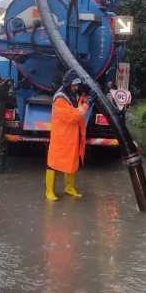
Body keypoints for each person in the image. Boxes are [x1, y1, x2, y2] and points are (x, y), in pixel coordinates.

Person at [44, 69, 98, 201]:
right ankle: (49, 191)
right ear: (68, 84)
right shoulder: (60, 98)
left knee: (72, 161)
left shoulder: (74, 94)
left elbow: (79, 104)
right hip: (61, 136)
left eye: (78, 85)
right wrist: (87, 104)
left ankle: (69, 188)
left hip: (72, 136)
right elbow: (71, 116)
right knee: (53, 163)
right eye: (74, 85)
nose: (76, 87)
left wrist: (87, 96)